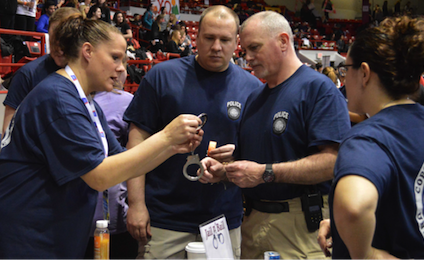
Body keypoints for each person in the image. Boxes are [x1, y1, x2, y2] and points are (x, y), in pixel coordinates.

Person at [0, 13, 203, 259]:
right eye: (115, 57)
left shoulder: (85, 101)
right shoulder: (58, 99)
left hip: (55, 233)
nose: (121, 67)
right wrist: (166, 137)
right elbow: (100, 176)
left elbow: (124, 164)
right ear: (88, 51)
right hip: (31, 237)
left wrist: (171, 148)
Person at [199, 11, 350, 260]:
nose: (247, 58)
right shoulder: (256, 97)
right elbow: (259, 161)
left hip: (300, 227)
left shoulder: (318, 89)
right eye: (244, 50)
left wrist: (264, 173)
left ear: (282, 41)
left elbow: (332, 163)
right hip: (253, 223)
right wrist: (224, 171)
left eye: (254, 48)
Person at [123, 5, 262, 260]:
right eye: (209, 38)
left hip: (223, 221)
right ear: (195, 36)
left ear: (237, 42)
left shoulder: (252, 88)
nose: (217, 46)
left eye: (225, 40)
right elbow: (137, 141)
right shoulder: (161, 77)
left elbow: (258, 156)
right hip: (164, 219)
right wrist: (136, 204)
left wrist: (236, 158)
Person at [323, 16, 424, 259]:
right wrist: (340, 225)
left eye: (346, 69)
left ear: (364, 73)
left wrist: (366, 253)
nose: (344, 78)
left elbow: (354, 208)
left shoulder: (368, 138)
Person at [83, 58, 138, 260]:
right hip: (89, 215)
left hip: (108, 215)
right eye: (116, 59)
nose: (122, 68)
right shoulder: (125, 101)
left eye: (124, 61)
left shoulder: (125, 100)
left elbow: (130, 156)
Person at [2, 7, 79, 137]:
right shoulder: (27, 74)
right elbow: (7, 131)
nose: (59, 48)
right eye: (54, 39)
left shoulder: (89, 73)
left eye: (65, 40)